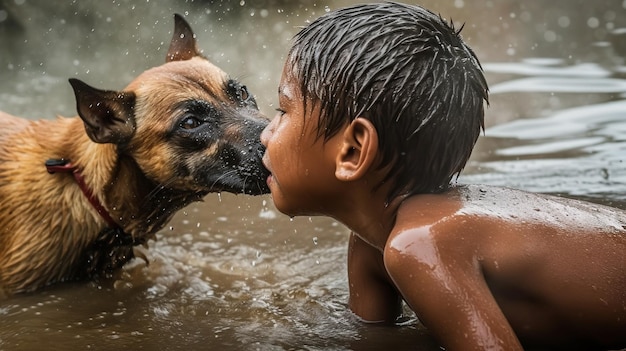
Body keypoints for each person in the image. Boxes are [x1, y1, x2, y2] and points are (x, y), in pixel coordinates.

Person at [260, 2, 626, 350]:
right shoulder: (369, 246)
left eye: (282, 110)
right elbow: (372, 341)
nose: (265, 133)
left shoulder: (420, 243)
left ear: (353, 151)